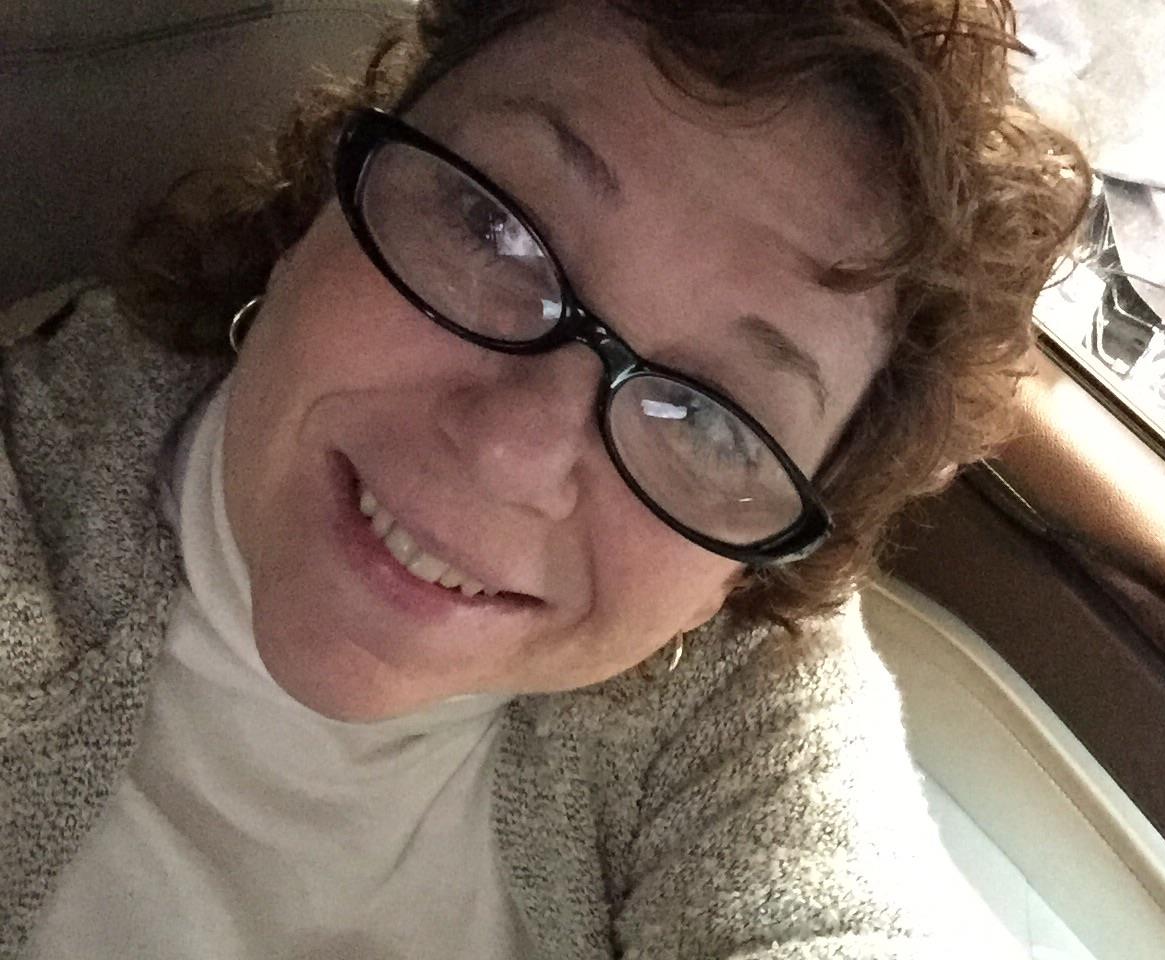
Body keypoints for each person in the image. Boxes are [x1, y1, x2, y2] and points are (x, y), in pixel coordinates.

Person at [0, 0, 1088, 956]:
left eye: (709, 418)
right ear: (326, 190)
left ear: (741, 579)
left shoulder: (734, 690)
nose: (510, 455)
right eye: (494, 230)